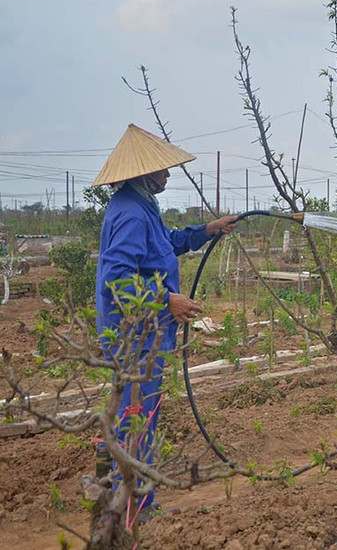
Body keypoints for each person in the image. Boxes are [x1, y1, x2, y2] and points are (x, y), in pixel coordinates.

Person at [93, 124, 238, 514]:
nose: (168, 175)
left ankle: (119, 489)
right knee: (137, 416)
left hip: (141, 332)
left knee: (133, 411)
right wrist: (167, 299)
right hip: (135, 335)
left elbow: (164, 244)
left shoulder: (139, 204)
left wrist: (206, 231)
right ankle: (134, 505)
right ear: (143, 172)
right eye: (162, 169)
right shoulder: (131, 213)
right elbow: (117, 279)